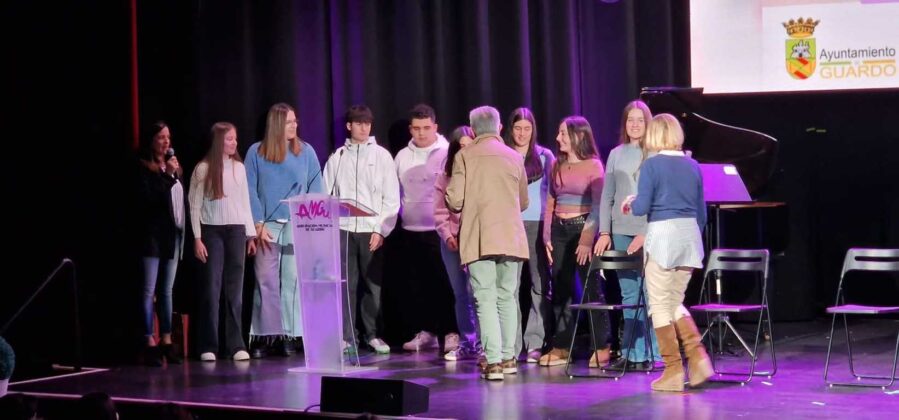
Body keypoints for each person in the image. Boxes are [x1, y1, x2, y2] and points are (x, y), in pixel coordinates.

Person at [621, 113, 714, 392]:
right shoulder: (693, 165)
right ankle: (697, 357)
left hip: (663, 235)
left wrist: (631, 202)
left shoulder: (652, 165)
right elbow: (701, 212)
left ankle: (674, 370)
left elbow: (642, 207)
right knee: (674, 301)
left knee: (659, 305)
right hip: (689, 236)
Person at [446, 106, 529, 381]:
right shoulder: (515, 156)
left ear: (472, 130)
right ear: (500, 128)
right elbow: (524, 201)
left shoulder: (464, 156)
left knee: (485, 298)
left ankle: (493, 362)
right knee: (507, 297)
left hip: (480, 236)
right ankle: (508, 359)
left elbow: (455, 201)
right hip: (511, 236)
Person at [246, 103, 324, 358]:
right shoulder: (256, 152)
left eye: (295, 121)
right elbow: (250, 190)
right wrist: (257, 224)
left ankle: (290, 335)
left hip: (296, 224)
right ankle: (265, 336)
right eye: (289, 122)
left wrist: (313, 221)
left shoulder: (306, 152)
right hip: (267, 226)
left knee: (292, 282)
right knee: (265, 281)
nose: (294, 125)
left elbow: (316, 188)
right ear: (277, 124)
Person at [323, 105, 400, 354]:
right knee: (346, 284)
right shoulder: (337, 157)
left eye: (367, 123)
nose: (364, 127)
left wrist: (381, 230)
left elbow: (391, 198)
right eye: (359, 123)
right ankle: (347, 336)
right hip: (344, 230)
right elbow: (327, 196)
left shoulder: (382, 156)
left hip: (371, 230)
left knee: (372, 285)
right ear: (349, 126)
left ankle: (372, 334)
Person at [594, 100, 661, 370]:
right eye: (630, 119)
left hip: (649, 231)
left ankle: (656, 354)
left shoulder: (656, 154)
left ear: (648, 123)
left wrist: (645, 232)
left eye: (640, 120)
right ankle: (633, 353)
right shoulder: (615, 153)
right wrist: (604, 231)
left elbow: (658, 197)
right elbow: (607, 196)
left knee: (651, 292)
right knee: (628, 292)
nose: (635, 124)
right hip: (620, 230)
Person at [539, 116, 611, 368]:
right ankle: (561, 346)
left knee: (591, 288)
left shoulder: (593, 166)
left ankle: (601, 346)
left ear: (578, 136)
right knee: (561, 288)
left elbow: (598, 205)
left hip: (583, 229)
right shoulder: (556, 165)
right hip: (559, 230)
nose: (558, 138)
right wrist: (547, 234)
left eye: (563, 134)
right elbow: (550, 201)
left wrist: (586, 240)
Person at [189, 122, 257, 361]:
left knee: (234, 291)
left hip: (236, 232)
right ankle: (208, 344)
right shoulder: (203, 169)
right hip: (212, 232)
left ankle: (236, 345)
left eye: (235, 139)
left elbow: (245, 203)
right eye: (229, 139)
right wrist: (197, 238)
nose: (234, 143)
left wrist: (250, 235)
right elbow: (194, 205)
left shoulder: (239, 168)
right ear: (219, 141)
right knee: (211, 288)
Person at [394, 104, 458, 355]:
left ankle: (451, 331)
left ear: (436, 127)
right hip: (410, 229)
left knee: (445, 283)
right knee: (418, 286)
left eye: (426, 128)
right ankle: (427, 332)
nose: (421, 133)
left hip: (438, 230)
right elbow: (395, 191)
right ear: (410, 129)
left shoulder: (445, 152)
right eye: (416, 128)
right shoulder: (402, 156)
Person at [502, 107, 555, 363]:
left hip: (537, 225)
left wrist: (548, 231)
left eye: (527, 128)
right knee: (509, 286)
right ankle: (510, 346)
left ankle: (535, 341)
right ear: (510, 129)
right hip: (509, 225)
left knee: (539, 284)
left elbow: (552, 194)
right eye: (517, 128)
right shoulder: (502, 155)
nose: (522, 133)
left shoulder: (545, 156)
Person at [136, 121, 185, 366]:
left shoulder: (172, 166)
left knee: (167, 291)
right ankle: (149, 340)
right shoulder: (142, 167)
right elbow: (149, 200)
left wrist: (173, 175)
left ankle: (167, 339)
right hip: (150, 237)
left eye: (168, 137)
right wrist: (166, 177)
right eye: (161, 137)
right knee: (148, 291)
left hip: (171, 235)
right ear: (151, 140)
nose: (166, 142)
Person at [434, 126, 480, 361]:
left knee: (477, 293)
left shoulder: (483, 173)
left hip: (476, 241)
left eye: (469, 145)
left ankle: (483, 343)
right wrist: (448, 235)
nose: (465, 150)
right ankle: (467, 341)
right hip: (451, 242)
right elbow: (439, 211)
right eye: (461, 146)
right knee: (460, 293)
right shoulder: (445, 176)